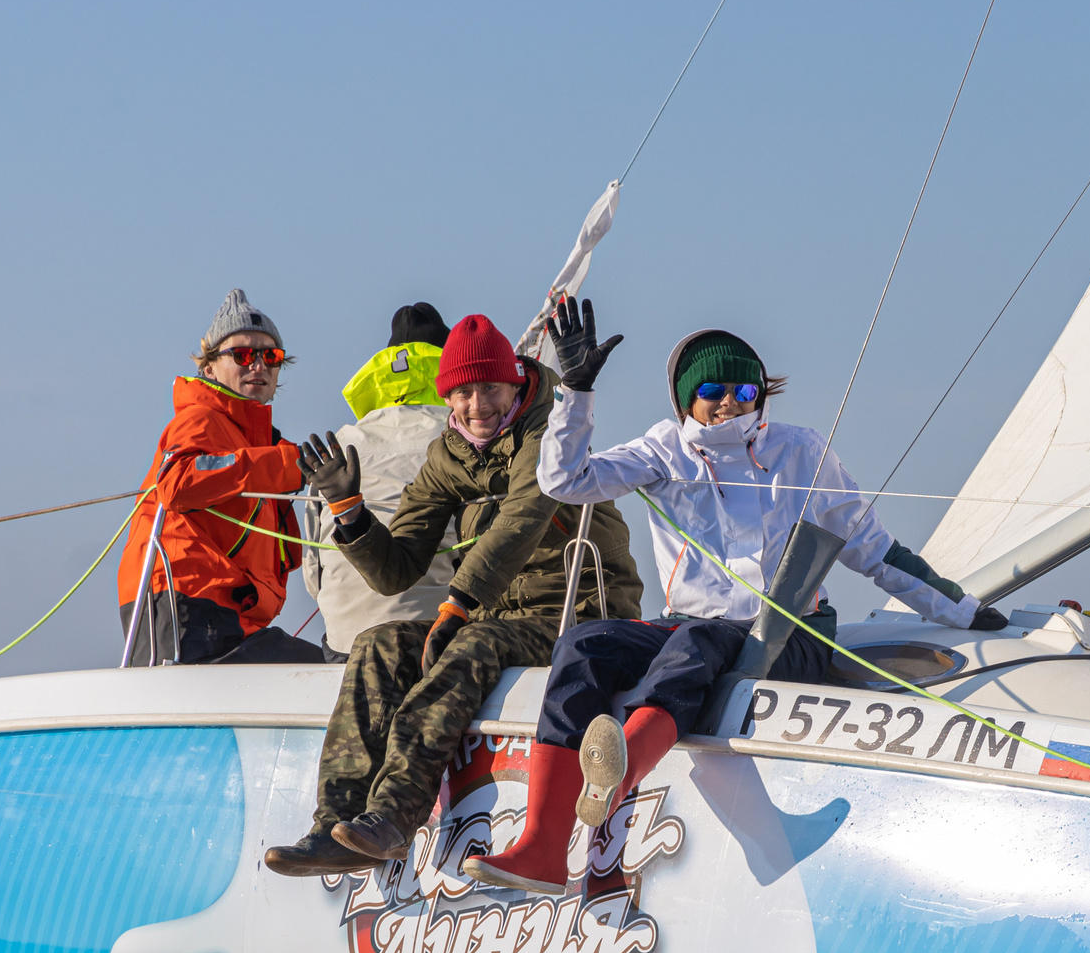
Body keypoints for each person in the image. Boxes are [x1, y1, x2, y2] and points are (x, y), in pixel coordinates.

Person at [463, 299, 1006, 894]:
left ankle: (615, 781)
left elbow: (876, 550)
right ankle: (541, 846)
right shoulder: (663, 449)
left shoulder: (801, 451)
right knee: (583, 645)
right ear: (685, 399)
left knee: (699, 641)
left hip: (792, 635)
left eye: (746, 391)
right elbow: (565, 481)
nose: (731, 402)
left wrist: (962, 610)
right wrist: (577, 391)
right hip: (692, 624)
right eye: (714, 390)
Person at [264, 312, 644, 876]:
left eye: (489, 388)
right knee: (379, 645)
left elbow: (521, 523)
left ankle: (394, 817)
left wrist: (458, 605)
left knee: (470, 644)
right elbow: (398, 570)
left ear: (514, 382)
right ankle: (335, 825)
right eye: (462, 392)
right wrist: (349, 511)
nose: (477, 405)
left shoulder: (546, 436)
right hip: (495, 612)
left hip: (577, 612)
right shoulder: (449, 455)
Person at [116, 289, 330, 666]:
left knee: (333, 672)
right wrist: (284, 468)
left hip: (227, 618)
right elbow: (177, 482)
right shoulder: (201, 419)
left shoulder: (253, 440)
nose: (259, 365)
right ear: (209, 367)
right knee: (334, 678)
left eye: (271, 356)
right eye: (243, 354)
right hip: (191, 610)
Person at [300, 302, 461, 660]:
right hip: (437, 639)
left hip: (346, 642)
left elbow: (313, 573)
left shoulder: (339, 444)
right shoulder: (462, 439)